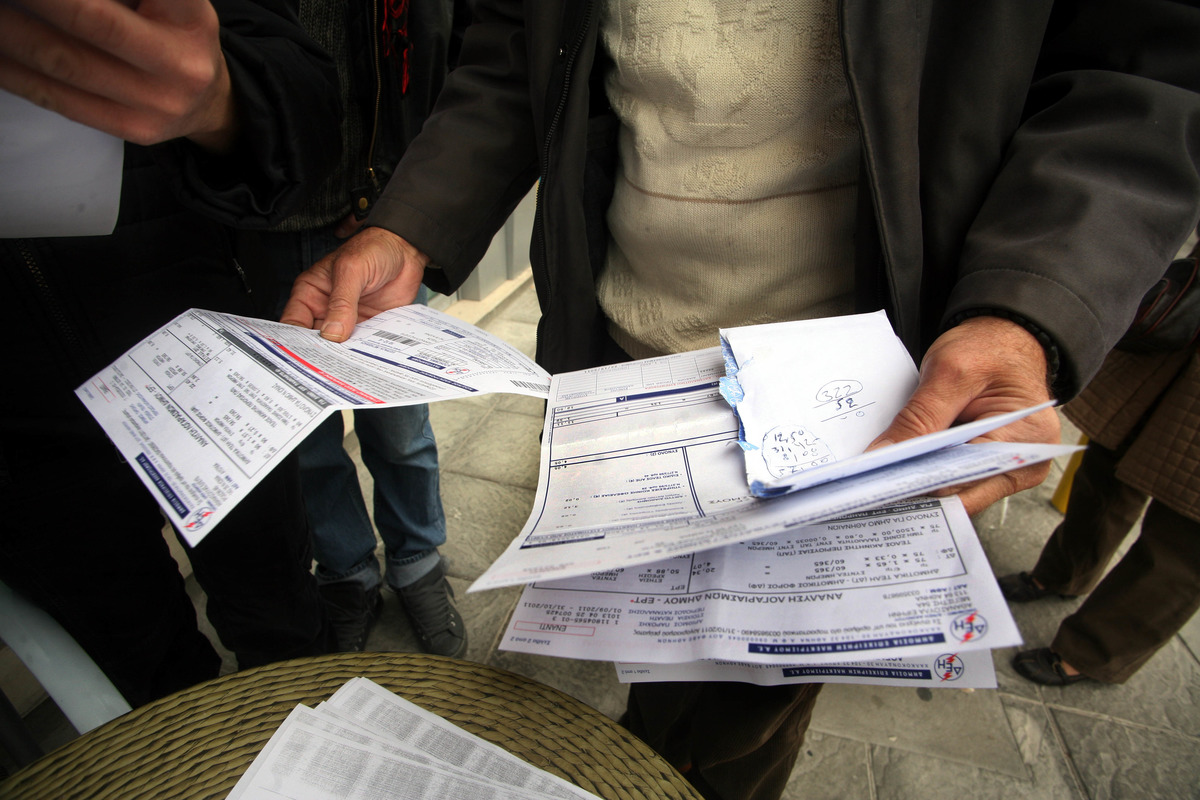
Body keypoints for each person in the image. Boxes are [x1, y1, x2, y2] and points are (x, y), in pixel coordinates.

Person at [280, 2, 1200, 798]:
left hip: (854, 402)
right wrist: (413, 220)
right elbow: (517, 49)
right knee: (655, 649)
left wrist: (1027, 304)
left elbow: (1134, 76)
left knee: (747, 710)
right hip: (622, 363)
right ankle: (650, 748)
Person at [0, 0, 342, 707]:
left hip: (199, 359)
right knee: (145, 679)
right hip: (21, 433)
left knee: (284, 626)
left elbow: (309, 93)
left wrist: (224, 101)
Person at [248, 0, 470, 656]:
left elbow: (452, 61)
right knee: (305, 439)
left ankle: (417, 562)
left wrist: (405, 203)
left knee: (400, 426)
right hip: (266, 228)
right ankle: (345, 572)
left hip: (385, 221)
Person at [1000, 244, 1200, 686]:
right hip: (1180, 330)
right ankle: (1063, 573)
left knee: (1184, 538)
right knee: (1106, 466)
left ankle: (1093, 650)